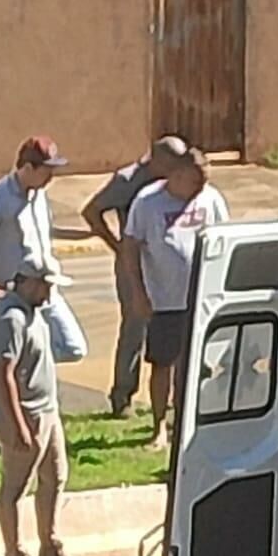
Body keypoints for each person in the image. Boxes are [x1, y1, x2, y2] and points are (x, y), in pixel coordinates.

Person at [0, 256, 88, 556]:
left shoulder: (35, 314)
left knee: (54, 477)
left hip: (46, 411)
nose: (49, 292)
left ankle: (50, 547)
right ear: (27, 281)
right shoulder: (11, 319)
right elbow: (2, 375)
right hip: (25, 414)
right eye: (45, 284)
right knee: (15, 487)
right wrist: (18, 426)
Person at [123, 146, 229, 450]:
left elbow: (225, 239)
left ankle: (189, 422)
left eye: (204, 182)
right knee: (162, 364)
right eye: (196, 182)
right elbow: (130, 248)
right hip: (164, 299)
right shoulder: (147, 202)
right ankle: (159, 427)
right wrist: (138, 293)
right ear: (177, 175)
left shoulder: (210, 199)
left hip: (203, 298)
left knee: (198, 364)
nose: (201, 189)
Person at [81, 135, 188, 418]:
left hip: (167, 268)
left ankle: (172, 398)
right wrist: (116, 246)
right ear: (157, 160)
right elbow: (92, 211)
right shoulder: (128, 180)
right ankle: (123, 396)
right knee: (135, 327)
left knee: (173, 326)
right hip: (134, 264)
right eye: (172, 163)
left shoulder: (178, 181)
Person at [0, 136, 87, 365]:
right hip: (14, 294)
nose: (51, 178)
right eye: (47, 170)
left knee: (73, 347)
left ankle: (2, 350)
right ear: (28, 168)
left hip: (44, 288)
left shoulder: (39, 195)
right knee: (14, 356)